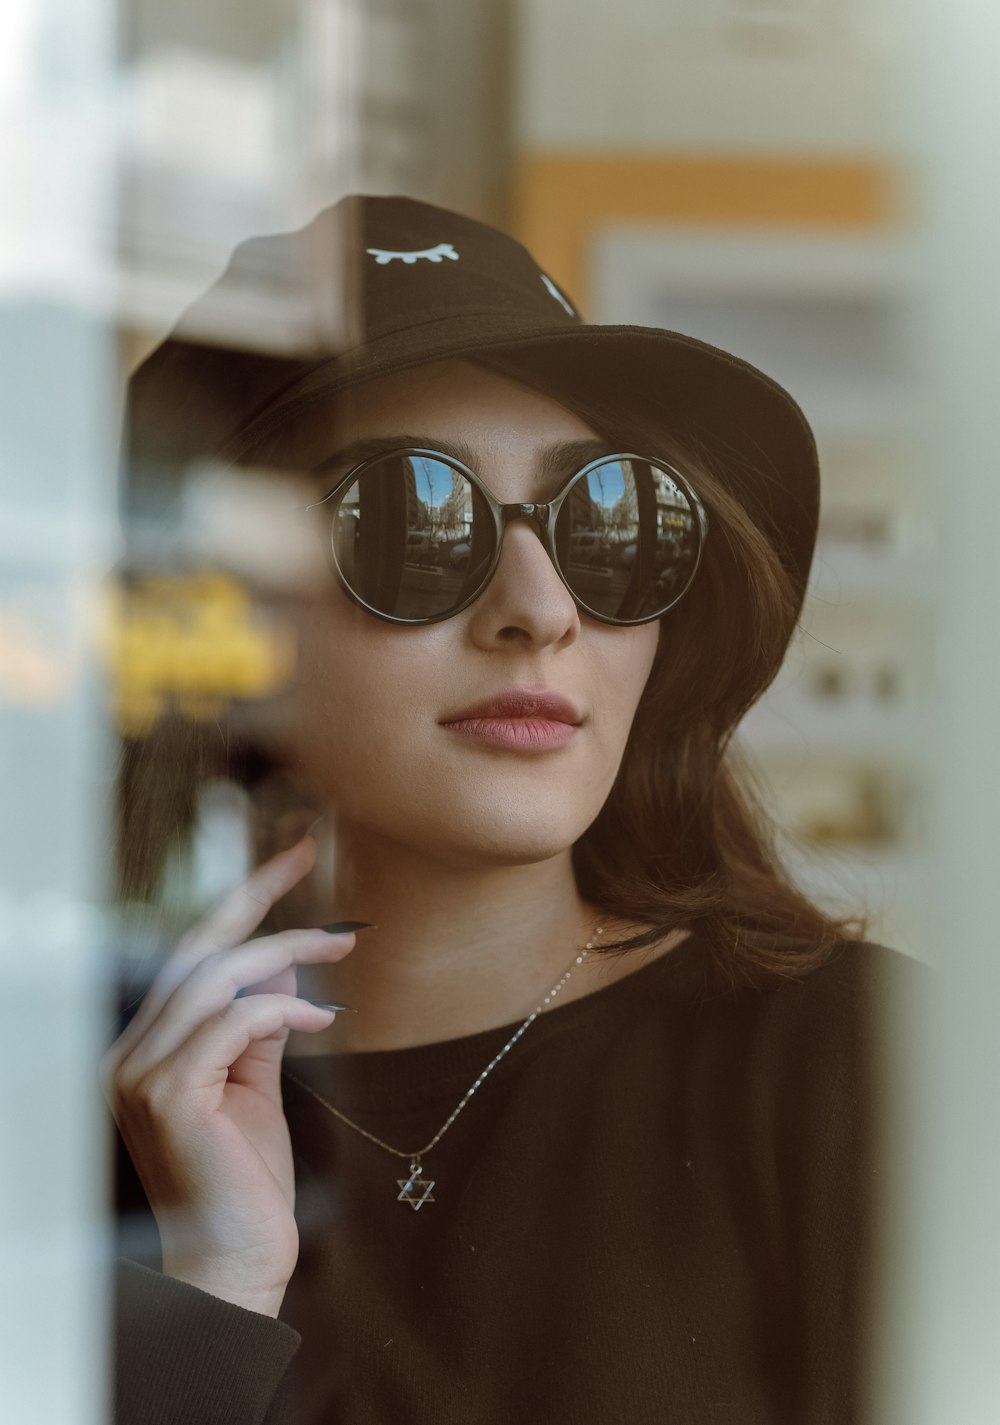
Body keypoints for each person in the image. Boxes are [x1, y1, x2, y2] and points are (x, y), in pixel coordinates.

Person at [103, 195, 901, 1425]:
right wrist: (213, 1291)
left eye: (608, 524)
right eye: (410, 521)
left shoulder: (867, 1067)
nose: (541, 608)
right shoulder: (73, 1135)